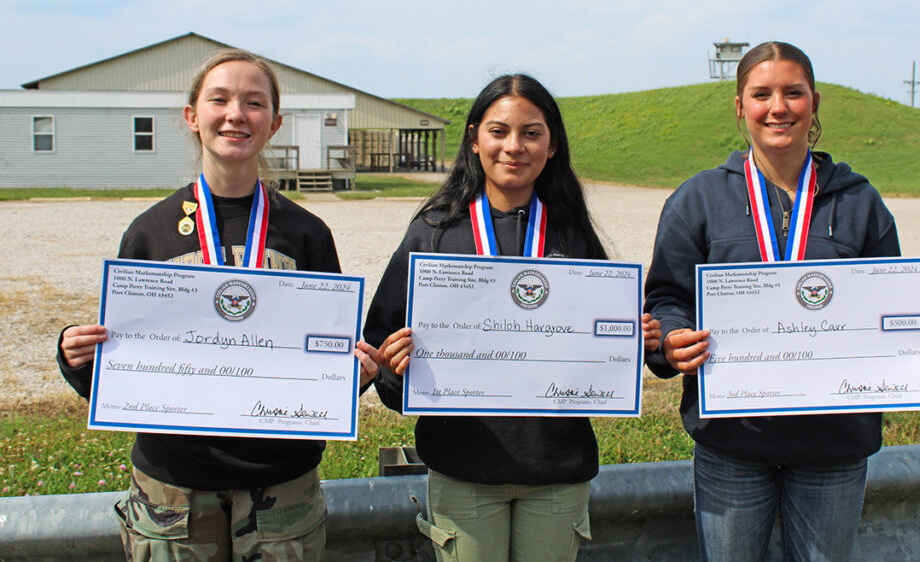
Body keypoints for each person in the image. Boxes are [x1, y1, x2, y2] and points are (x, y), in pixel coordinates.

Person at [643, 41, 920, 561]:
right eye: (762, 93)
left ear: (814, 103)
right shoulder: (699, 199)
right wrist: (672, 342)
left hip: (832, 449)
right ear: (739, 105)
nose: (778, 107)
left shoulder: (860, 202)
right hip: (733, 444)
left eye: (793, 93)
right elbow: (666, 298)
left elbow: (890, 311)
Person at [57, 48, 380, 560]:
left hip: (282, 482)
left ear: (273, 124)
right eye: (220, 99)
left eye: (254, 103)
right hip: (174, 485)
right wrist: (78, 358)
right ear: (192, 116)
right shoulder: (150, 233)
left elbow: (328, 357)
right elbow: (123, 361)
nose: (236, 114)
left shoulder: (306, 234)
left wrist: (353, 375)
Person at [365, 74, 661, 562]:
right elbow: (383, 349)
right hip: (463, 470)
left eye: (532, 133)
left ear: (552, 146)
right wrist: (396, 367)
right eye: (499, 131)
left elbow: (601, 346)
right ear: (474, 139)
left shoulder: (573, 236)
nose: (514, 147)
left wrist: (635, 339)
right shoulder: (433, 234)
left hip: (556, 473)